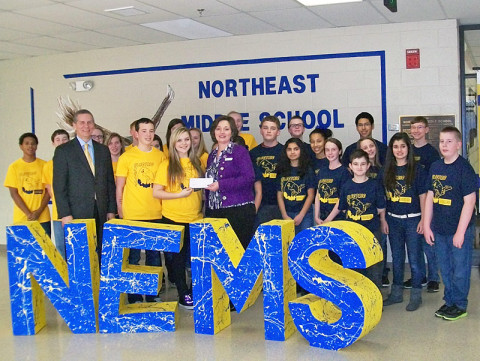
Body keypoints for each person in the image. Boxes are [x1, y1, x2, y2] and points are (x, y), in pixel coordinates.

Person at [424, 126, 477, 321]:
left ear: (458, 145)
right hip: (439, 229)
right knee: (444, 268)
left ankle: (460, 305)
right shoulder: (436, 167)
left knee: (460, 269)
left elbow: (469, 201)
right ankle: (449, 301)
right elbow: (430, 197)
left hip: (458, 229)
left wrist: (461, 232)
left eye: (449, 141)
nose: (444, 145)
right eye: (441, 141)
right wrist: (427, 224)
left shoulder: (464, 168)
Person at [53, 109, 116, 262]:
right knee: (80, 255)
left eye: (89, 122)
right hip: (75, 212)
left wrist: (111, 210)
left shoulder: (103, 150)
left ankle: (99, 284)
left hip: (100, 210)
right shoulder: (63, 151)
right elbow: (59, 186)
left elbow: (109, 182)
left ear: (93, 124)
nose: (86, 126)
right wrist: (65, 214)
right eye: (82, 122)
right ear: (74, 125)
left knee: (101, 251)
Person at [153, 127, 204, 309]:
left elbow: (199, 189)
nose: (184, 143)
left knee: (195, 259)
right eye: (180, 140)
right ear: (173, 143)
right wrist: (179, 195)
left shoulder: (196, 162)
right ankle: (183, 294)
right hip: (173, 219)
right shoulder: (166, 165)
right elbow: (156, 192)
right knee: (178, 260)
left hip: (195, 219)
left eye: (186, 140)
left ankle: (194, 290)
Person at [116, 118, 166, 303]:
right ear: (136, 133)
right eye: (144, 131)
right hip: (133, 215)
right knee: (134, 257)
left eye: (151, 130)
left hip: (156, 214)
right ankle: (134, 294)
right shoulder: (126, 157)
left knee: (154, 257)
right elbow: (119, 187)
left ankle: (154, 294)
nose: (148, 134)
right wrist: (121, 211)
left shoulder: (160, 156)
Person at [324, 149, 387, 290]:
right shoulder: (347, 186)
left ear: (368, 166)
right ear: (350, 166)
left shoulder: (375, 185)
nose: (359, 167)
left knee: (374, 265)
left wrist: (366, 214)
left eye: (363, 164)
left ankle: (375, 296)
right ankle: (357, 295)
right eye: (356, 164)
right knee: (354, 264)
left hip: (372, 230)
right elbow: (343, 207)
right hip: (353, 231)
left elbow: (381, 207)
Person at [381, 133, 427, 311]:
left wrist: (424, 219)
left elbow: (423, 196)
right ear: (391, 150)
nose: (399, 150)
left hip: (413, 219)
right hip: (393, 220)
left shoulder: (417, 170)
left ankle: (416, 295)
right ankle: (396, 294)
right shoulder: (387, 170)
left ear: (408, 148)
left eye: (402, 146)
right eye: (395, 146)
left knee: (415, 259)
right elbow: (383, 198)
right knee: (398, 258)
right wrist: (384, 219)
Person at [205, 115, 256, 249]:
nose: (222, 132)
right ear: (213, 132)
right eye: (218, 129)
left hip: (238, 211)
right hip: (215, 211)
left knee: (238, 252)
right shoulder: (211, 155)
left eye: (226, 129)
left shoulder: (239, 151)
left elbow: (248, 178)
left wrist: (221, 185)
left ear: (232, 132)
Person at [404, 116, 441, 292]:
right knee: (414, 245)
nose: (416, 131)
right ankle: (418, 276)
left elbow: (434, 181)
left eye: (420, 127)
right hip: (410, 204)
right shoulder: (408, 151)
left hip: (427, 203)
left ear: (426, 130)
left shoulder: (432, 153)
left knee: (428, 243)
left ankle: (433, 277)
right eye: (414, 128)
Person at [4, 132, 51, 237]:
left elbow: (48, 191)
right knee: (24, 251)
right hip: (21, 217)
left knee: (44, 250)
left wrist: (38, 212)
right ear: (21, 146)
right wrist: (28, 214)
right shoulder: (14, 167)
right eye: (27, 143)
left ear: (37, 146)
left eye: (33, 143)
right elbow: (14, 193)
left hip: (42, 217)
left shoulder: (45, 165)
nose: (30, 146)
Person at [358, 136, 389, 286]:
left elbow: (383, 197)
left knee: (378, 250)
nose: (369, 149)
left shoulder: (383, 170)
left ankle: (380, 279)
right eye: (365, 147)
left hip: (377, 219)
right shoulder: (355, 172)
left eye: (371, 146)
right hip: (359, 221)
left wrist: (382, 218)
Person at [250, 116, 284, 227]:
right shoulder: (253, 153)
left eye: (273, 128)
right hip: (260, 204)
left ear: (278, 132)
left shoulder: (285, 151)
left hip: (282, 204)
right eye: (265, 128)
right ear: (260, 130)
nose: (269, 131)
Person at [276, 138, 315, 234]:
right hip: (287, 213)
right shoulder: (281, 170)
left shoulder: (308, 170)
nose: (292, 152)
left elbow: (311, 195)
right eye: (289, 149)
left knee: (305, 242)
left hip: (305, 214)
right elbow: (279, 195)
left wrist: (301, 215)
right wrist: (284, 215)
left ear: (301, 151)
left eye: (296, 149)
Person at [42, 129, 70, 258]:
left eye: (64, 139)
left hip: (76, 212)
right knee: (61, 247)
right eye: (58, 140)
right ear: (53, 143)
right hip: (58, 214)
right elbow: (50, 190)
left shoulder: (75, 162)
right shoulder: (48, 166)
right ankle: (64, 276)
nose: (61, 142)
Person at [314, 138, 351, 225]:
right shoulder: (322, 171)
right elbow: (318, 194)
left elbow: (342, 199)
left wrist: (329, 219)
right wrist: (316, 216)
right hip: (322, 218)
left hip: (339, 218)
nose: (330, 153)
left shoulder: (344, 172)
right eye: (327, 150)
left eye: (333, 150)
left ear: (340, 151)